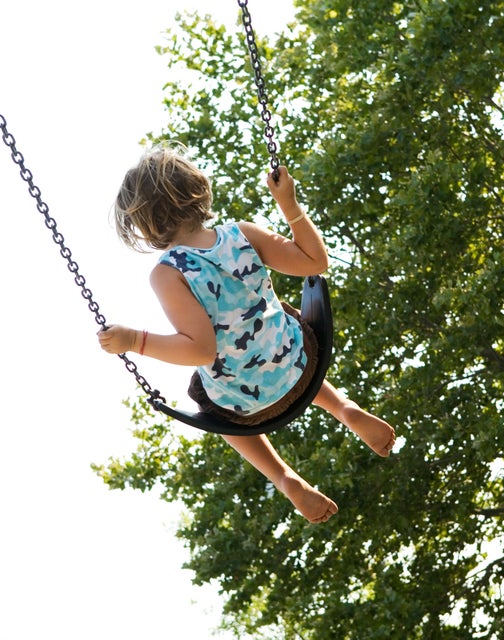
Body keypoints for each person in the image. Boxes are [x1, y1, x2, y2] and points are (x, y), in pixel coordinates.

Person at [97, 146, 396, 523]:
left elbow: (201, 350)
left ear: (144, 224)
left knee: (207, 402)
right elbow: (315, 263)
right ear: (196, 189)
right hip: (304, 364)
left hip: (245, 409)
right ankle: (345, 408)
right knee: (275, 328)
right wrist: (289, 204)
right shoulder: (242, 234)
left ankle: (285, 478)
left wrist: (134, 341)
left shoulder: (168, 273)